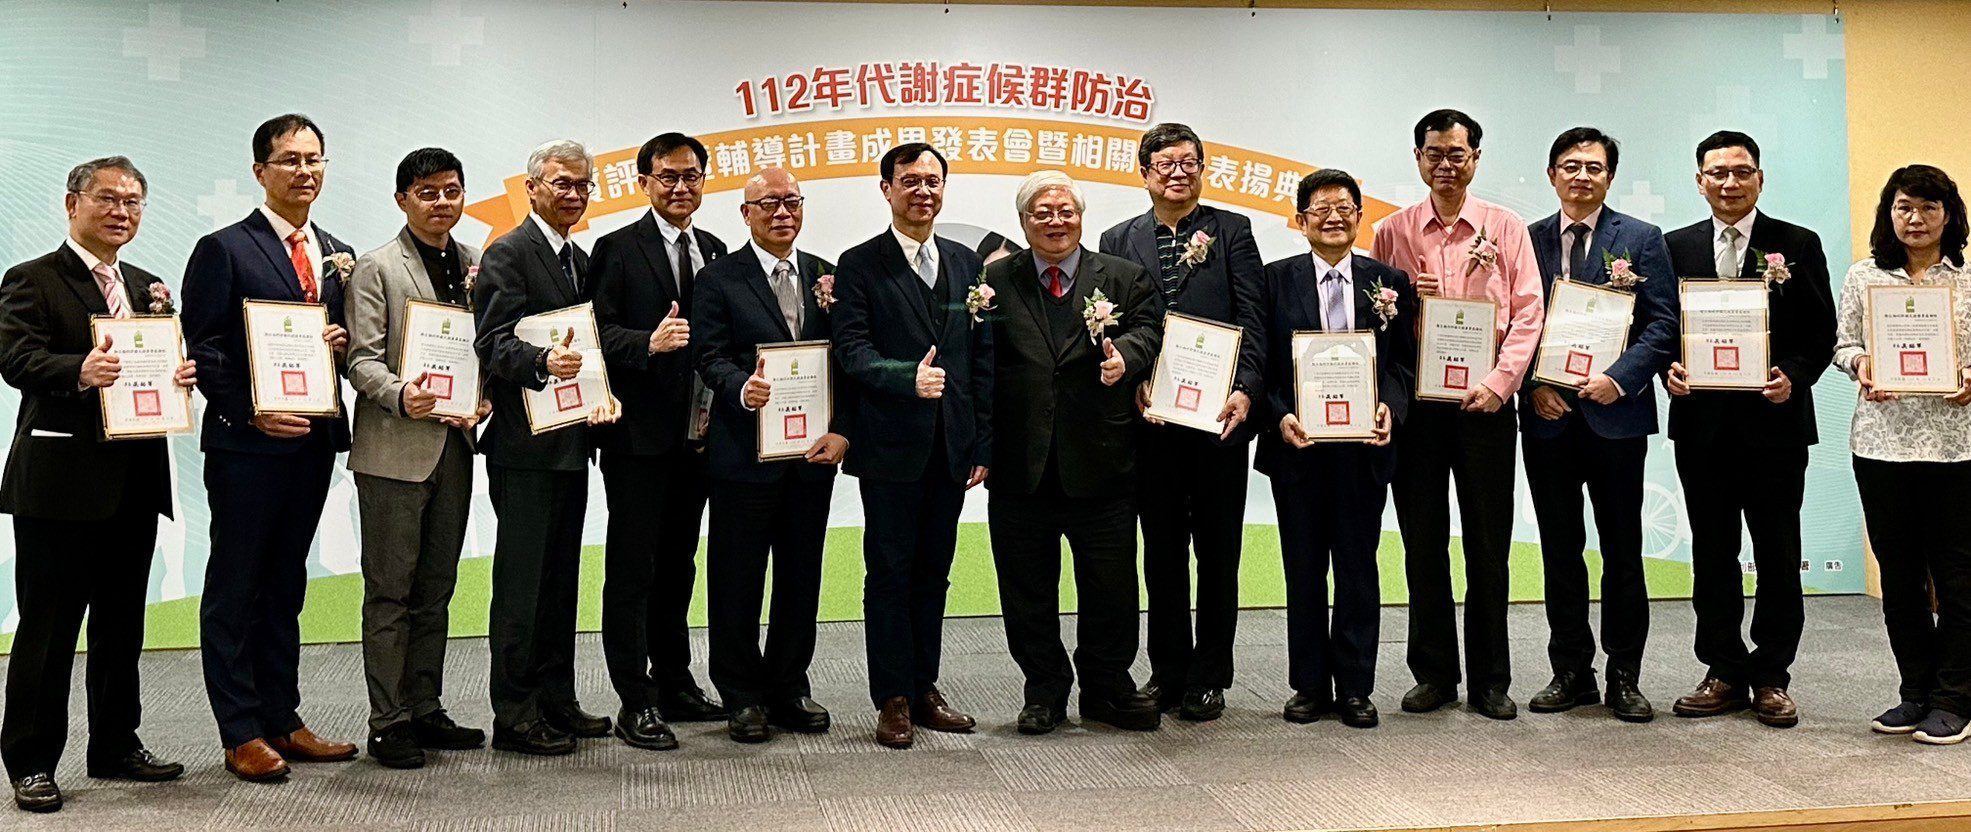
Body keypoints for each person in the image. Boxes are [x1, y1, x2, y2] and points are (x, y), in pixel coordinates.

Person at [0, 157, 194, 812]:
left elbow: (154, 362)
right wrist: (78, 370)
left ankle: (114, 744)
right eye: (108, 198)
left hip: (135, 479)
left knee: (121, 625)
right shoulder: (31, 278)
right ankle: (31, 760)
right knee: (49, 628)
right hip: (60, 482)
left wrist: (178, 376)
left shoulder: (146, 285)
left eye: (134, 201)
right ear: (72, 204)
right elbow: (15, 357)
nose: (121, 211)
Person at [182, 113, 359, 781]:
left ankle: (283, 718)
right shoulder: (224, 248)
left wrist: (339, 342)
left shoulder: (337, 252)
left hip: (312, 444)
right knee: (236, 586)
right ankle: (240, 731)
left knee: (286, 585)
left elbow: (344, 342)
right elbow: (203, 348)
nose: (304, 171)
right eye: (289, 160)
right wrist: (253, 413)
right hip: (246, 449)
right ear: (260, 171)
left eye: (314, 159)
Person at [1371, 109, 1544, 721]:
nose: (1446, 165)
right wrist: (1406, 305)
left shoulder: (1507, 226)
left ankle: (1491, 679)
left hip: (1485, 407)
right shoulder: (1392, 230)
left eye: (1457, 154)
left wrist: (1501, 384)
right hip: (1419, 409)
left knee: (1488, 544)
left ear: (1475, 159)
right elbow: (1378, 322)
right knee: (1422, 543)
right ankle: (1434, 674)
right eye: (1434, 154)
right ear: (1418, 159)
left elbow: (1529, 312)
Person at [1663, 131, 1835, 728]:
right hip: (1702, 429)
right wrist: (1669, 370)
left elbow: (1821, 332)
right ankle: (1722, 670)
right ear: (1700, 181)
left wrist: (1795, 376)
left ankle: (1772, 675)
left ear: (1760, 178)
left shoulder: (1798, 243)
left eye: (1742, 172)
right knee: (1712, 553)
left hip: (1775, 426)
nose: (1730, 183)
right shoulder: (1674, 247)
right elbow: (1658, 326)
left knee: (1778, 553)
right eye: (1718, 173)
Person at [984, 170, 1163, 734]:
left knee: (1111, 588)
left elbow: (1150, 329)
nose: (1056, 221)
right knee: (1027, 591)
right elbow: (978, 362)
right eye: (1042, 212)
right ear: (1023, 222)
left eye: (1066, 211)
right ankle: (1044, 690)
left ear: (1081, 218)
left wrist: (1126, 356)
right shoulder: (994, 280)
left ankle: (1107, 687)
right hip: (1021, 464)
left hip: (1103, 458)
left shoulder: (1122, 276)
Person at [1098, 123, 1265, 721]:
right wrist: (1134, 379)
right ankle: (1168, 672)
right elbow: (1114, 325)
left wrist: (1246, 390)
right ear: (1144, 172)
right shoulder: (1118, 238)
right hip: (1152, 424)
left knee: (1219, 553)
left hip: (1220, 421)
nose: (1178, 172)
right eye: (1165, 163)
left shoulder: (1232, 231)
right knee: (1162, 552)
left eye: (1189, 162)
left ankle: (1210, 676)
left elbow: (1253, 318)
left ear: (1202, 169)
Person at [830, 143, 991, 748]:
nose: (923, 190)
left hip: (951, 448)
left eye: (933, 180)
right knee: (890, 572)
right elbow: (852, 351)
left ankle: (926, 687)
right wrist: (906, 378)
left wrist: (982, 442)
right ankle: (892, 697)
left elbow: (980, 358)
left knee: (933, 573)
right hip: (890, 447)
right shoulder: (858, 264)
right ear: (886, 189)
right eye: (910, 180)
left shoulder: (966, 262)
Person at [1519, 128, 1679, 723]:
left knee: (1622, 551)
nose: (1581, 176)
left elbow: (1663, 324)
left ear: (1610, 176)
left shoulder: (1640, 238)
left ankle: (1624, 674)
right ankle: (1570, 670)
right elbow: (1513, 321)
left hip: (1617, 417)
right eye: (1570, 165)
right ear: (1552, 174)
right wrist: (1533, 384)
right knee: (1560, 551)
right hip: (1548, 418)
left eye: (1594, 166)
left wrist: (1620, 378)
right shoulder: (1526, 239)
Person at [345, 147, 492, 768]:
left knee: (436, 589)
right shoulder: (377, 267)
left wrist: (483, 395)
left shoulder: (478, 263)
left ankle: (426, 707)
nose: (442, 202)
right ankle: (389, 721)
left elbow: (486, 348)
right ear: (402, 199)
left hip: (455, 446)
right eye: (427, 192)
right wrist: (403, 394)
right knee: (390, 593)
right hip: (394, 451)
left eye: (451, 190)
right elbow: (360, 360)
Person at [693, 166, 850, 744]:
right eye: (769, 204)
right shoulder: (718, 278)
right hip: (744, 454)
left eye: (792, 201)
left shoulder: (825, 274)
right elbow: (708, 354)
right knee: (736, 577)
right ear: (746, 214)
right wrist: (741, 388)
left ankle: (788, 685)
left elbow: (845, 360)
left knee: (800, 575)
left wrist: (843, 430)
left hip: (810, 455)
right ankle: (741, 694)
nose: (782, 212)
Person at [474, 139, 620, 756]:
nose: (574, 195)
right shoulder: (508, 252)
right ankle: (515, 714)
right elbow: (492, 342)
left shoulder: (579, 258)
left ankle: (558, 699)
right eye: (562, 183)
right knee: (521, 587)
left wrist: (604, 395)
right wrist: (540, 361)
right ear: (532, 187)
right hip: (524, 448)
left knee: (560, 583)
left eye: (583, 185)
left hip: (571, 444)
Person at [1255, 169, 1415, 729]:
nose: (1333, 217)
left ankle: (1354, 687)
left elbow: (1403, 362)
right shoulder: (1274, 280)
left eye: (1344, 207)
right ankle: (1308, 685)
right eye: (1320, 208)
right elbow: (1260, 363)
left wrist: (1389, 406)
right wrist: (1279, 415)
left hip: (1362, 451)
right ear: (1300, 221)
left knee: (1357, 568)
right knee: (1302, 570)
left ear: (1359, 217)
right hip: (1297, 448)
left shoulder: (1388, 281)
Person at [591, 132, 731, 751]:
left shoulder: (716, 248)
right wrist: (646, 342)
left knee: (679, 564)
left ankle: (675, 680)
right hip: (638, 438)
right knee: (633, 569)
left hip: (701, 437)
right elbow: (595, 332)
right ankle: (634, 697)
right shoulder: (617, 248)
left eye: (691, 176)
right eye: (668, 177)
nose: (681, 187)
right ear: (644, 182)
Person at [1834, 164, 1971, 745]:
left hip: (1957, 447)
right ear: (1888, 214)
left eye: (1928, 207)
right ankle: (1914, 691)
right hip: (1881, 445)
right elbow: (1844, 343)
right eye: (1903, 207)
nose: (1915, 219)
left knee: (1959, 576)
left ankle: (1955, 698)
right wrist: (1862, 364)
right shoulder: (1864, 275)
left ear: (1949, 215)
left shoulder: (1968, 278)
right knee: (1900, 575)